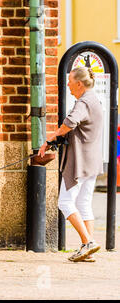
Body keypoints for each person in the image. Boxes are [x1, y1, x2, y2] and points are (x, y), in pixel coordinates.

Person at [38, 67, 102, 262]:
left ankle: (88, 242)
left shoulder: (83, 102)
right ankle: (87, 248)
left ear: (79, 83)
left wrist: (51, 137)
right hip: (91, 161)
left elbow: (71, 122)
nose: (68, 85)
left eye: (70, 81)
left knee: (64, 202)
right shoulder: (94, 100)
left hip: (79, 161)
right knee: (83, 203)